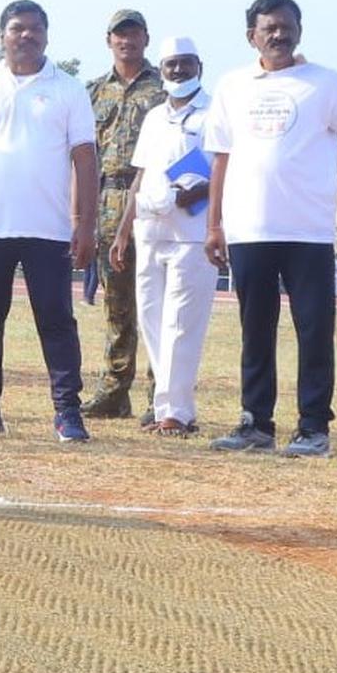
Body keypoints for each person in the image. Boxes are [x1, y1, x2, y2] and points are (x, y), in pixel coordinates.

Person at [205, 0, 337, 457]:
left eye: (286, 26)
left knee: (313, 329)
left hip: (308, 230)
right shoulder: (233, 85)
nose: (279, 34)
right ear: (251, 36)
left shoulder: (325, 83)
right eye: (269, 28)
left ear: (299, 29)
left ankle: (314, 427)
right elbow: (220, 157)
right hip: (249, 229)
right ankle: (256, 423)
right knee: (255, 328)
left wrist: (330, 170)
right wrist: (214, 224)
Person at [0, 0, 98, 441]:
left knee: (56, 320)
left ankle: (68, 411)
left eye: (35, 29)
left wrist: (85, 225)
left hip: (49, 229)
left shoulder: (69, 89)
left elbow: (85, 159)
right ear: (2, 36)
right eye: (17, 29)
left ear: (47, 35)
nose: (26, 36)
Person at [110, 37, 217, 436]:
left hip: (192, 232)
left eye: (186, 65)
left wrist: (197, 193)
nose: (178, 72)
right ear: (162, 68)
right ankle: (163, 408)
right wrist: (123, 232)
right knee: (152, 320)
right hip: (150, 229)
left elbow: (227, 169)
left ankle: (179, 413)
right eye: (171, 65)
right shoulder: (155, 116)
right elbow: (140, 176)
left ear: (199, 67)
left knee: (182, 323)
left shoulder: (214, 113)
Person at [82, 10, 166, 423]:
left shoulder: (165, 89)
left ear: (146, 39)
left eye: (134, 34)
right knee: (117, 307)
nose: (126, 41)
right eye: (120, 34)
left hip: (152, 200)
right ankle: (114, 392)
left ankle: (160, 395)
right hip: (106, 201)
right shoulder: (94, 91)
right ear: (108, 40)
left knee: (155, 304)